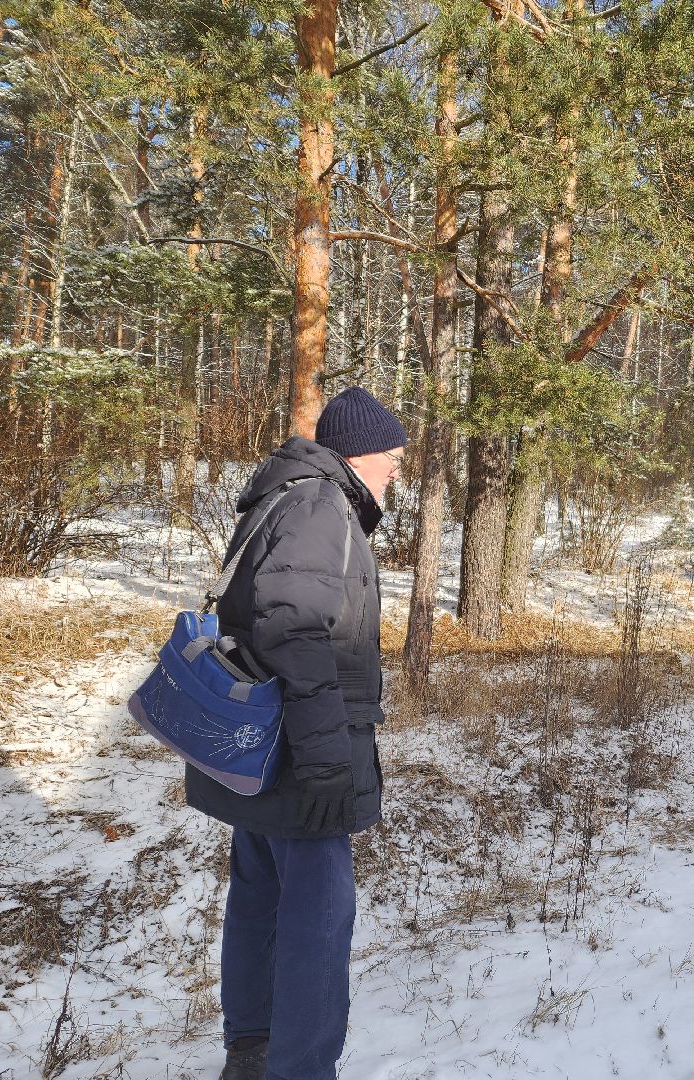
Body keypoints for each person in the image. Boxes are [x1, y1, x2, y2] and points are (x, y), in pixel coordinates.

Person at [185, 386, 406, 1080]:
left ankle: (251, 1050)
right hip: (298, 750)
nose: (398, 468)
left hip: (262, 745)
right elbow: (292, 624)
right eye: (393, 457)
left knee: (259, 898)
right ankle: (300, 1069)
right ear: (359, 453)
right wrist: (323, 757)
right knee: (317, 922)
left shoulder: (284, 495)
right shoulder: (320, 505)